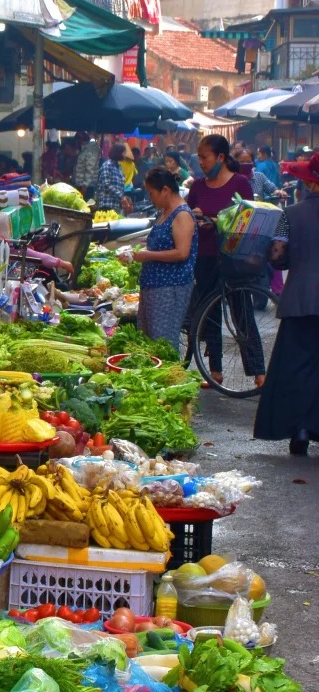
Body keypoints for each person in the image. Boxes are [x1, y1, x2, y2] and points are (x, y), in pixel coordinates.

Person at [255, 150, 319, 455]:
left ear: (310, 183)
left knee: (296, 367)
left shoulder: (290, 214)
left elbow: (277, 257)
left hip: (300, 300)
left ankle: (300, 431)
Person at [187, 133, 263, 388]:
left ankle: (259, 372)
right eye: (199, 157)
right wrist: (195, 216)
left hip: (233, 258)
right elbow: (186, 216)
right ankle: (215, 371)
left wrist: (218, 221)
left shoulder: (240, 183)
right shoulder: (197, 187)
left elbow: (249, 219)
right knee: (210, 315)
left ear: (220, 157)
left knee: (242, 313)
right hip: (205, 256)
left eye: (205, 157)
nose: (201, 162)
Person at [133, 166, 197, 347]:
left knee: (163, 342)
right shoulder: (164, 212)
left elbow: (182, 252)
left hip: (170, 287)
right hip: (153, 285)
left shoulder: (182, 214)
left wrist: (148, 255)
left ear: (165, 190)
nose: (150, 198)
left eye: (151, 193)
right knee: (149, 341)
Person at [95, 144, 131, 214]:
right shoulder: (107, 165)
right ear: (118, 153)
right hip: (106, 204)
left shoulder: (119, 167)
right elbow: (106, 185)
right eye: (124, 153)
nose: (125, 155)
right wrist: (121, 196)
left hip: (116, 205)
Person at [73, 133, 101, 199]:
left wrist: (85, 186)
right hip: (81, 183)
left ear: (80, 141)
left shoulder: (91, 150)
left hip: (87, 186)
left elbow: (90, 169)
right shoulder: (84, 149)